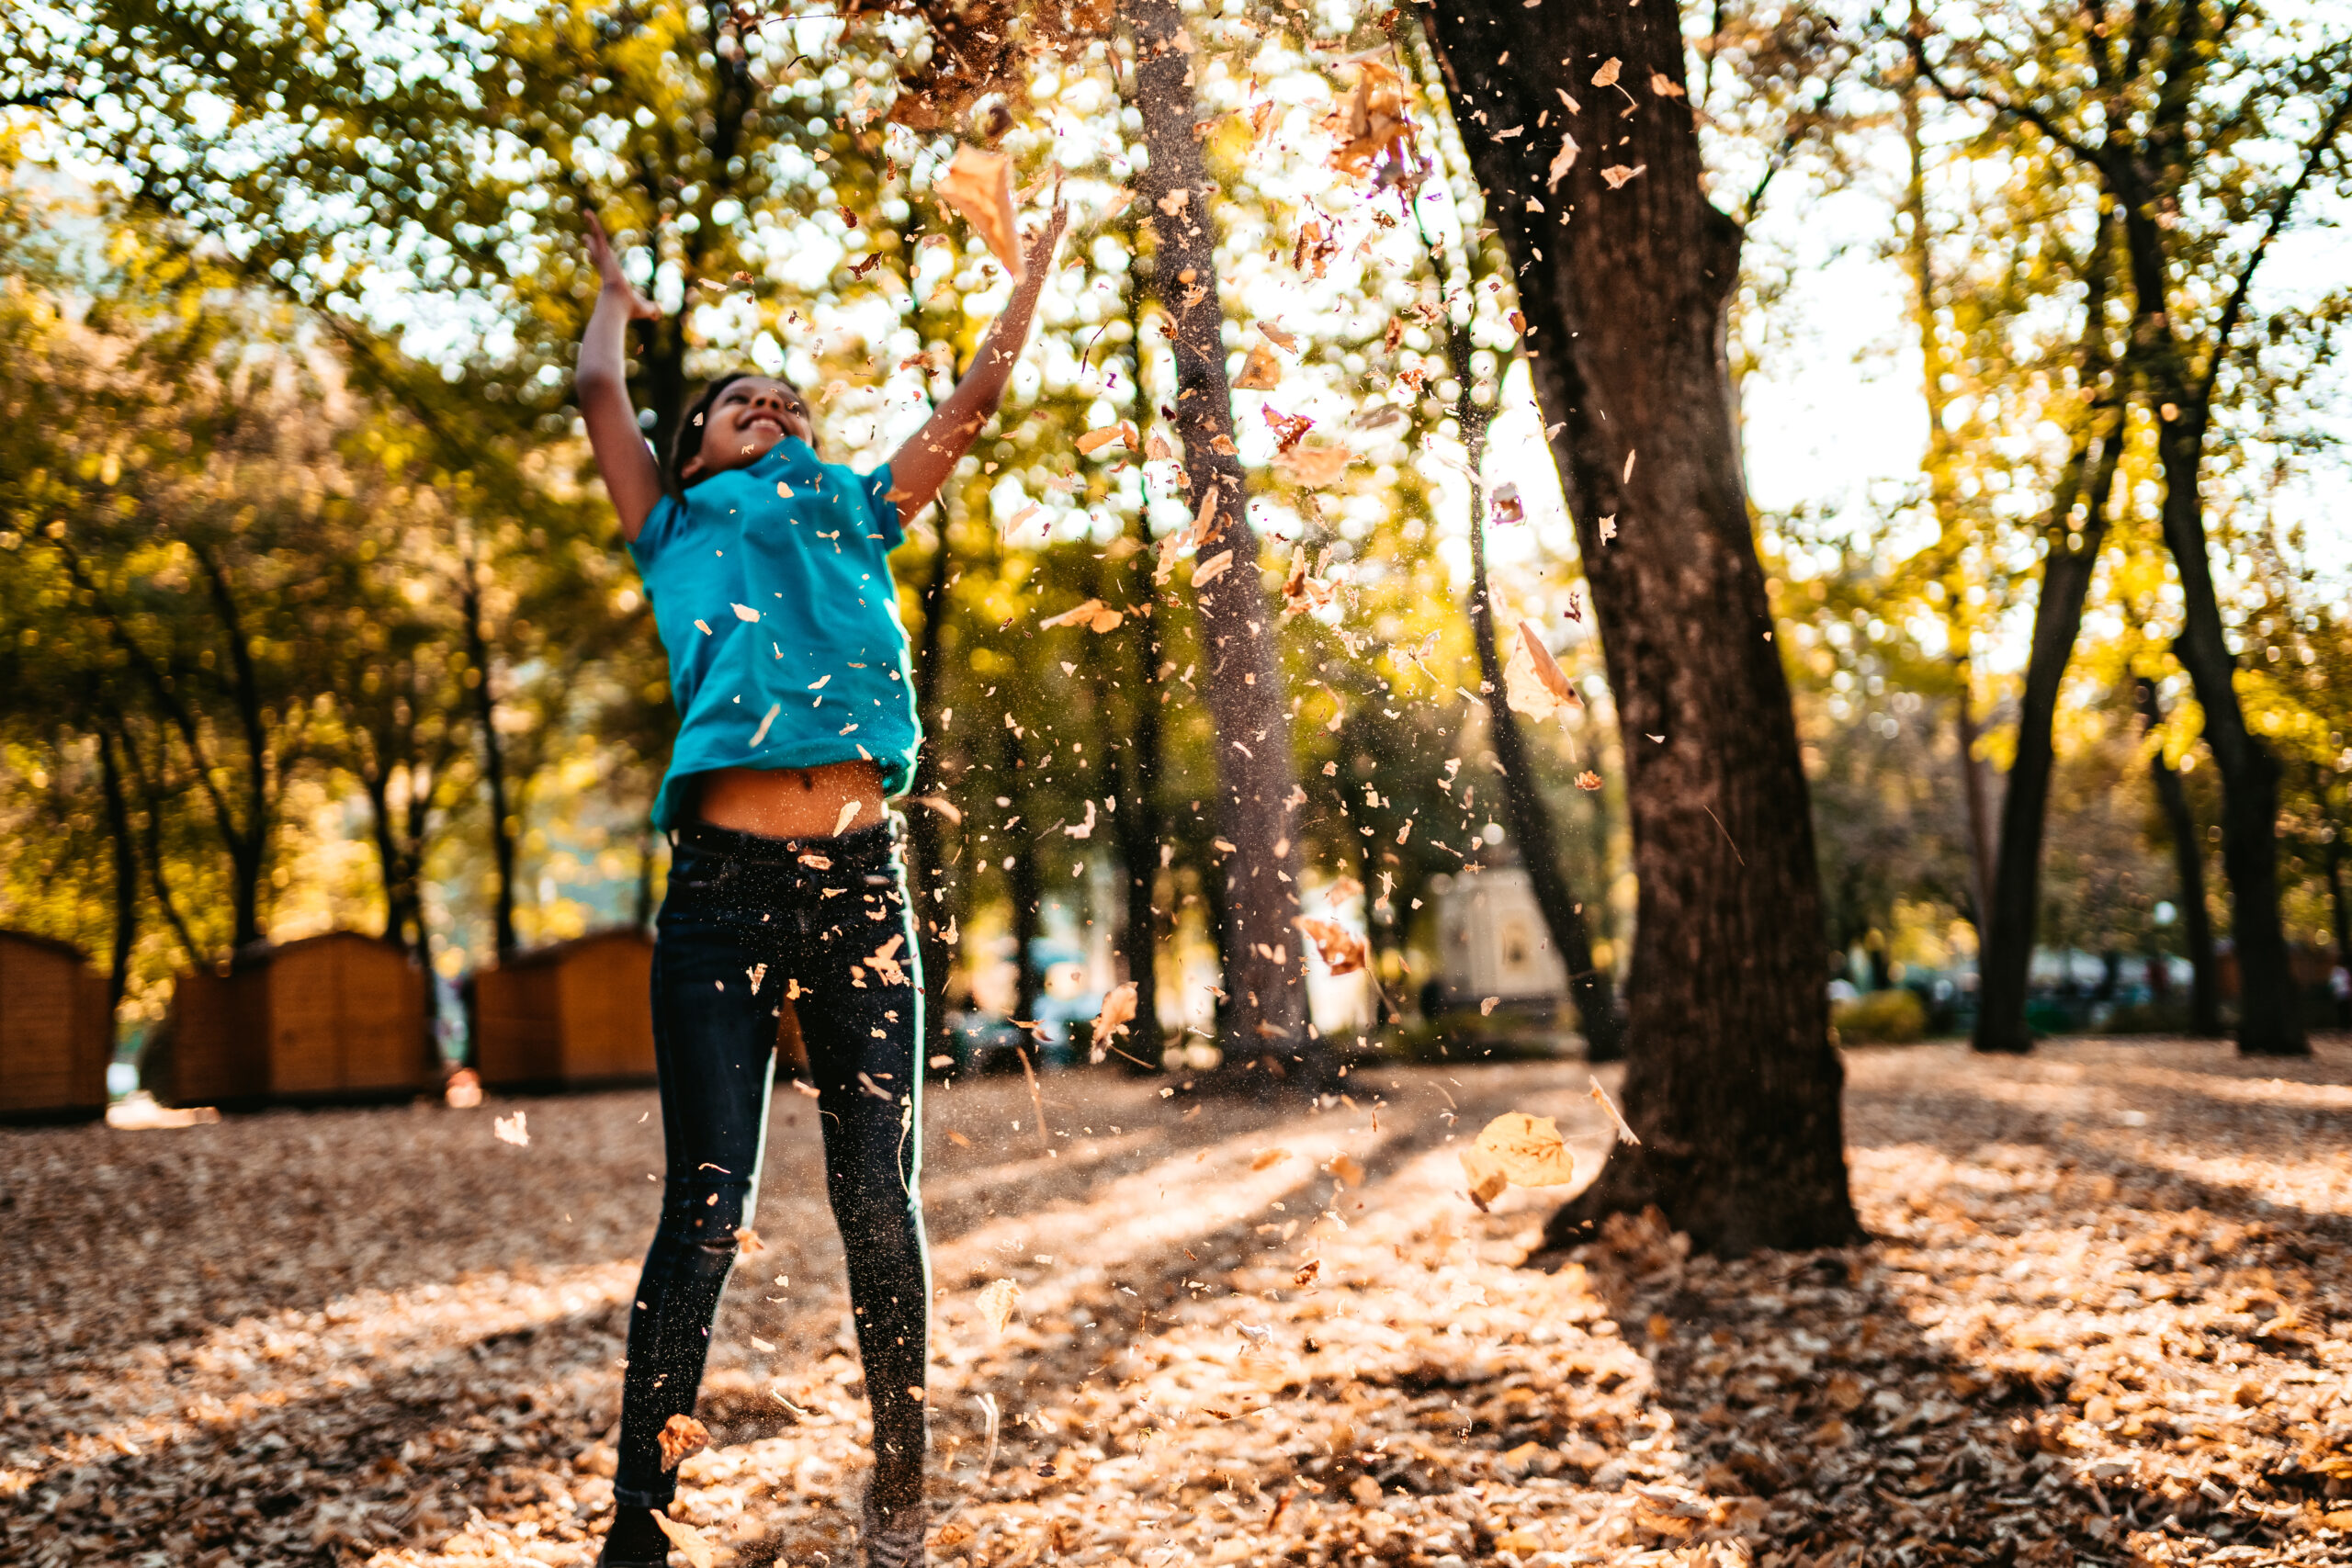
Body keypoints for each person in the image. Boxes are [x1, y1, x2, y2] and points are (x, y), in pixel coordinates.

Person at [573, 201, 1066, 1568]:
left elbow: (975, 402)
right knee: (706, 1207)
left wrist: (1025, 284)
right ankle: (639, 1522)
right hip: (719, 894)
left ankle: (898, 1489)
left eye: (785, 399)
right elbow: (601, 390)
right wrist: (615, 299)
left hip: (860, 885)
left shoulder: (855, 507)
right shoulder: (673, 524)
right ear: (691, 453)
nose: (768, 406)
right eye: (738, 401)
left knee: (876, 1194)